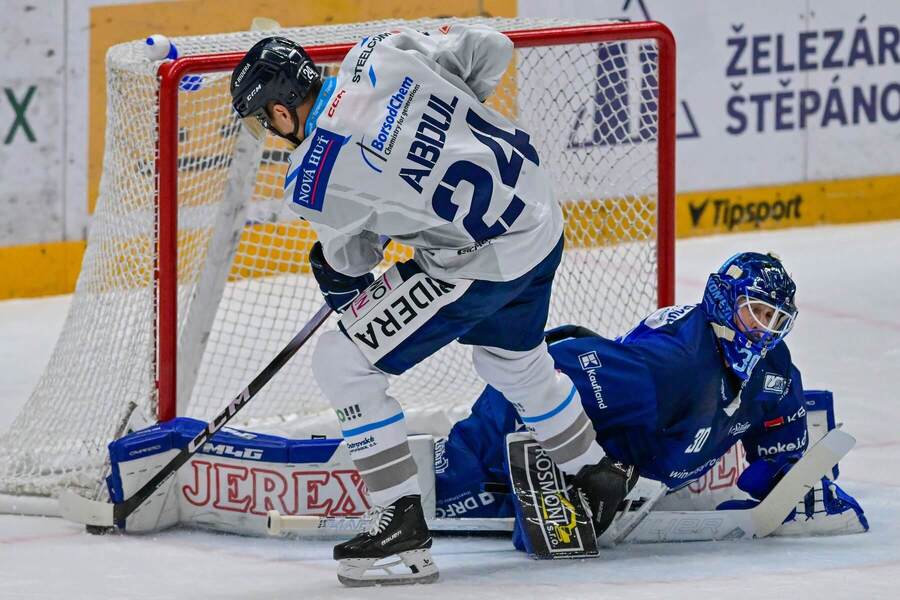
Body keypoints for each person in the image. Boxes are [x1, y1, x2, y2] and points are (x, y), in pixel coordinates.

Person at [230, 27, 630, 586]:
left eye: (263, 122)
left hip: (481, 262)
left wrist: (333, 267)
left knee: (342, 362)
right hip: (539, 218)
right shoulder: (379, 52)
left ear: (279, 109)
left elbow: (352, 264)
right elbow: (491, 46)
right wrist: (450, 125)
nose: (269, 133)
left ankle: (402, 527)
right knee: (509, 360)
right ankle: (595, 472)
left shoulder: (312, 176)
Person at [436, 252, 836, 544]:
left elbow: (778, 416)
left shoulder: (772, 367)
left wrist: (785, 472)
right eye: (757, 313)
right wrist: (572, 468)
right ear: (724, 301)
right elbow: (539, 374)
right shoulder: (671, 368)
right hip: (494, 448)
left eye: (775, 320)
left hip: (637, 448)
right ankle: (459, 461)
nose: (764, 332)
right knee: (448, 496)